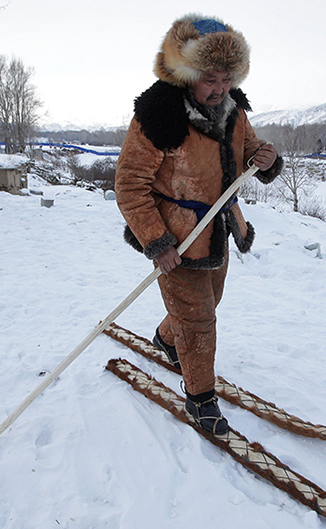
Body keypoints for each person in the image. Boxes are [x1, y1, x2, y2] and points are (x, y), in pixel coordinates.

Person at [115, 14, 282, 435]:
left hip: (217, 230)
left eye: (227, 78)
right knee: (200, 319)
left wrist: (266, 158)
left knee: (211, 299)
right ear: (187, 72)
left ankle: (167, 338)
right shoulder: (158, 114)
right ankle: (200, 398)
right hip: (177, 236)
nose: (220, 88)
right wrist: (157, 241)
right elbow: (130, 185)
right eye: (210, 78)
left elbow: (249, 151)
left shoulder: (233, 110)